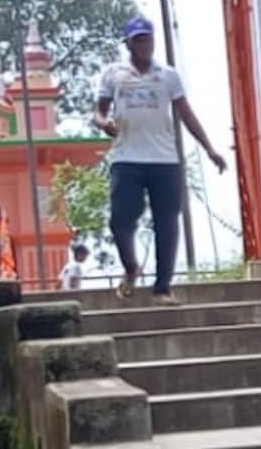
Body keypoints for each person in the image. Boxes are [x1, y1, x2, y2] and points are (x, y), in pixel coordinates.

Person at [95, 15, 227, 303]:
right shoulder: (113, 74)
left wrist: (209, 148)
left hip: (164, 158)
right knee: (120, 220)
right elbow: (99, 111)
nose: (144, 45)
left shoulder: (168, 75)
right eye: (138, 40)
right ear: (128, 43)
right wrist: (104, 123)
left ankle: (162, 286)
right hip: (126, 157)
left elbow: (186, 113)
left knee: (167, 222)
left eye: (148, 39)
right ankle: (131, 268)